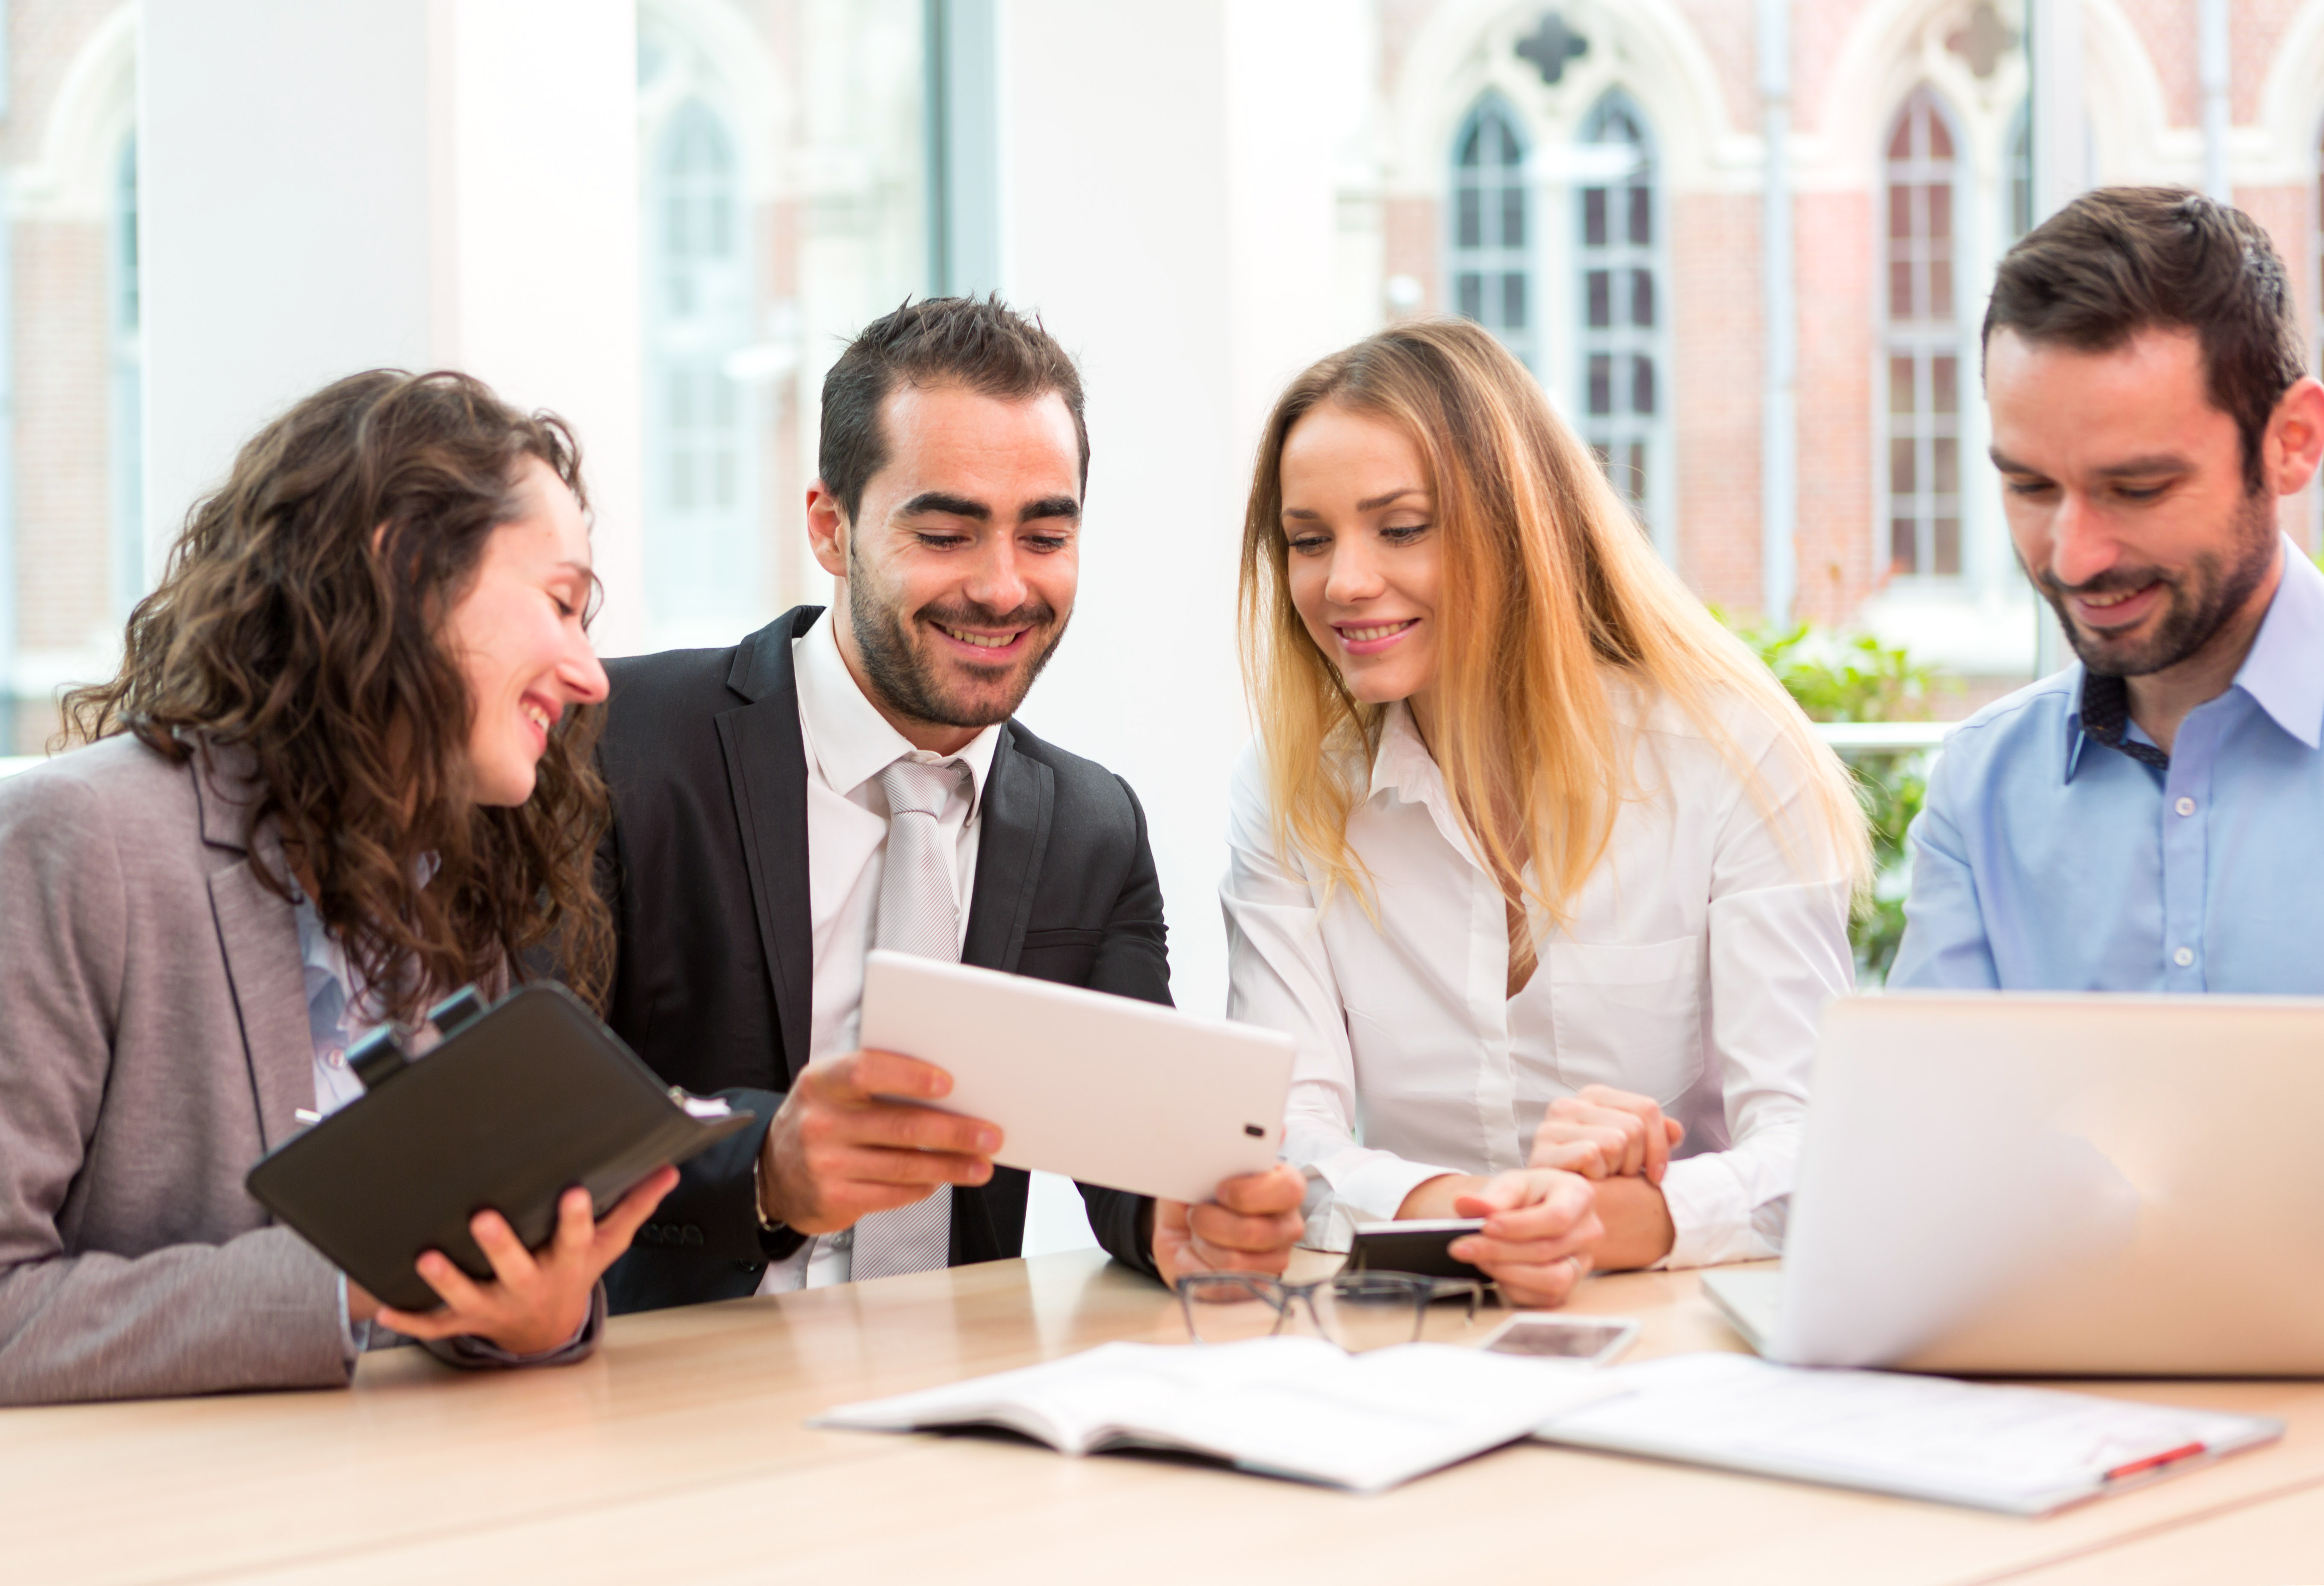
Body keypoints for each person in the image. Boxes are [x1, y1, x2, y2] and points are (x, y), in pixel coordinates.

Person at [596, 295, 1304, 1312]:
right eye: (945, 533)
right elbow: (529, 1113)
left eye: (1045, 536)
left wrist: (1176, 1217)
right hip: (664, 1391)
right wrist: (762, 1169)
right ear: (831, 528)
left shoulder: (1093, 828)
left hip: (952, 1396)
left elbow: (1128, 1135)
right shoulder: (621, 746)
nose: (1004, 588)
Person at [0, 371, 675, 1405]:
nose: (592, 674)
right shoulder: (83, 840)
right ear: (405, 564)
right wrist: (359, 1279)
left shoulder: (452, 879)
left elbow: (456, 1287)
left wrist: (533, 1314)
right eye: (561, 603)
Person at [1223, 319, 1867, 1307]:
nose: (1344, 581)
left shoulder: (1730, 760)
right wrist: (1488, 1210)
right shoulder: (1295, 787)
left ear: (1516, 525)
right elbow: (1278, 1141)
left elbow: (1822, 1148)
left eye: (1402, 528)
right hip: (1415, 1331)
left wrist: (1616, 1221)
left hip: (1686, 1332)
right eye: (1309, 541)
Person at [1890, 189, 2324, 992]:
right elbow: (1938, 1113)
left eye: (2138, 488)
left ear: (2290, 443)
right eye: (2031, 487)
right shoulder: (1982, 788)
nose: (2077, 558)